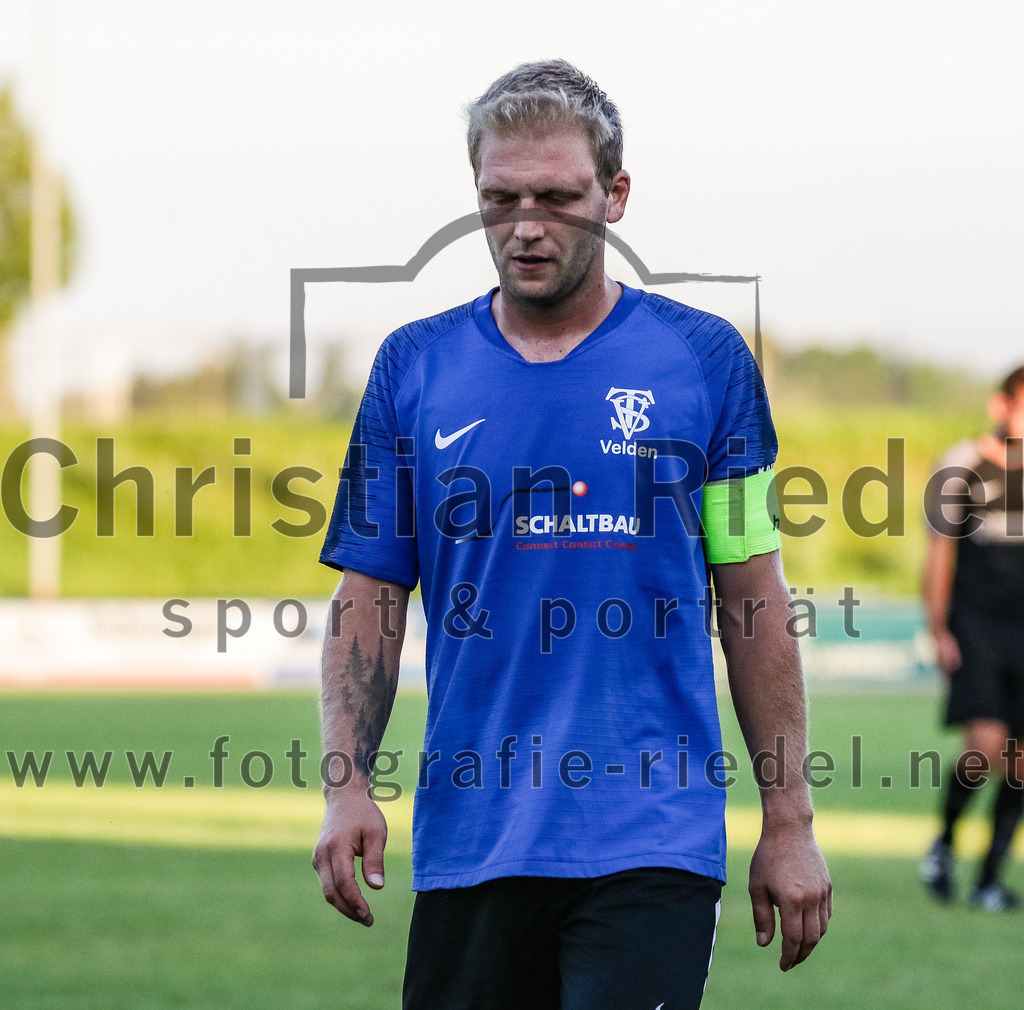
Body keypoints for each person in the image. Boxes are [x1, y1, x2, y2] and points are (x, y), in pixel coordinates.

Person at [312, 59, 831, 1007]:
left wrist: (788, 819)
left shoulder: (706, 361)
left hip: (651, 838)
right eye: (499, 198)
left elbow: (752, 592)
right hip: (473, 840)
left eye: (557, 195)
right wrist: (347, 784)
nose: (526, 225)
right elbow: (370, 596)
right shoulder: (411, 369)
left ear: (616, 195)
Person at [921, 364, 1024, 911]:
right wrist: (938, 629)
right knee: (984, 747)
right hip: (977, 628)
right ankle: (944, 844)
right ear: (1001, 406)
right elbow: (939, 553)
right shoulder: (961, 466)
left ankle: (989, 879)